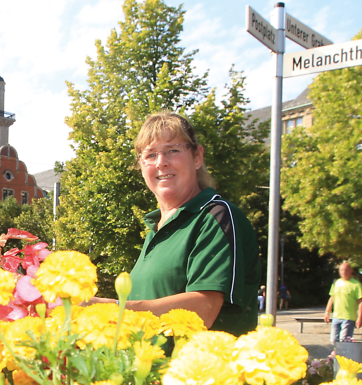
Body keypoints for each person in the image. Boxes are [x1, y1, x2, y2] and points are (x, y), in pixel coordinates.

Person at [102, 111, 259, 335]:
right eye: (150, 155)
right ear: (141, 164)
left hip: (200, 368)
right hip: (153, 367)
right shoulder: (156, 227)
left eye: (172, 151)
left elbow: (203, 309)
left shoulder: (215, 217)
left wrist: (110, 311)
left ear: (197, 157)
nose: (161, 163)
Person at [323, 262, 362, 345]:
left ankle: (344, 356)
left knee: (344, 340)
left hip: (349, 317)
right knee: (334, 340)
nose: (343, 272)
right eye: (341, 270)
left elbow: (361, 301)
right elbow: (332, 298)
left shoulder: (356, 284)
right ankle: (335, 357)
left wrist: (360, 317)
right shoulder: (336, 283)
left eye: (346, 270)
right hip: (336, 316)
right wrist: (327, 312)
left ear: (351, 271)